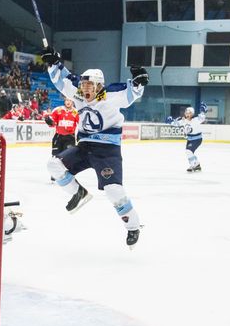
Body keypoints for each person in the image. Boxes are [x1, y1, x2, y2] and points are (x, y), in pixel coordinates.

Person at [41, 47, 148, 248]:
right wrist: (53, 62)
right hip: (84, 147)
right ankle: (77, 193)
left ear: (99, 85)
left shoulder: (111, 94)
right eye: (83, 83)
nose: (85, 87)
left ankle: (133, 226)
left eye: (89, 84)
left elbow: (131, 91)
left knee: (113, 191)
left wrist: (139, 80)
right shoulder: (78, 92)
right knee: (53, 166)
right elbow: (61, 80)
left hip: (107, 151)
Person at [167, 102, 207, 172]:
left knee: (189, 151)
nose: (187, 114)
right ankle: (196, 165)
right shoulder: (183, 120)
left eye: (189, 113)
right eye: (186, 112)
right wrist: (170, 121)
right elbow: (176, 123)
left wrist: (203, 110)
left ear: (192, 114)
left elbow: (202, 118)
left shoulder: (196, 120)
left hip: (197, 139)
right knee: (188, 152)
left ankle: (194, 165)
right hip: (190, 139)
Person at [45, 98, 79, 180]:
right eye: (67, 100)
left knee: (68, 156)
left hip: (70, 137)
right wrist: (49, 121)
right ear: (64, 101)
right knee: (55, 156)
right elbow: (52, 123)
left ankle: (67, 174)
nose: (68, 102)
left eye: (70, 101)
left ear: (72, 102)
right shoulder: (58, 110)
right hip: (58, 137)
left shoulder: (76, 112)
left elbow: (81, 124)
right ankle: (55, 173)